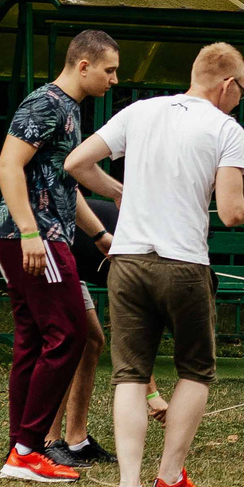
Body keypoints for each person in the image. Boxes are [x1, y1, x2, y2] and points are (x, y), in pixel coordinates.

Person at [65, 42, 244, 487]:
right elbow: (230, 212)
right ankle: (168, 480)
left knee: (130, 373)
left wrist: (117, 189)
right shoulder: (225, 128)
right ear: (227, 84)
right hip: (183, 264)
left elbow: (76, 164)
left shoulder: (140, 111)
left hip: (127, 261)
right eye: (242, 90)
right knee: (195, 370)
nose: (240, 99)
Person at [0, 30, 124, 484]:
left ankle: (19, 450)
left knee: (33, 341)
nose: (114, 80)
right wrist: (29, 232)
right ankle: (29, 449)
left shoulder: (69, 109)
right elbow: (8, 166)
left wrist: (101, 234)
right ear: (83, 65)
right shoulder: (45, 103)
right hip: (33, 238)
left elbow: (65, 187)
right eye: (109, 70)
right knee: (69, 334)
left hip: (38, 236)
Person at [47, 193, 165, 469]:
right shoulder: (142, 261)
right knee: (68, 340)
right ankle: (48, 440)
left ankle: (77, 440)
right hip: (46, 249)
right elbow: (130, 337)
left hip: (74, 259)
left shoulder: (155, 259)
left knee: (91, 341)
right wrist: (153, 396)